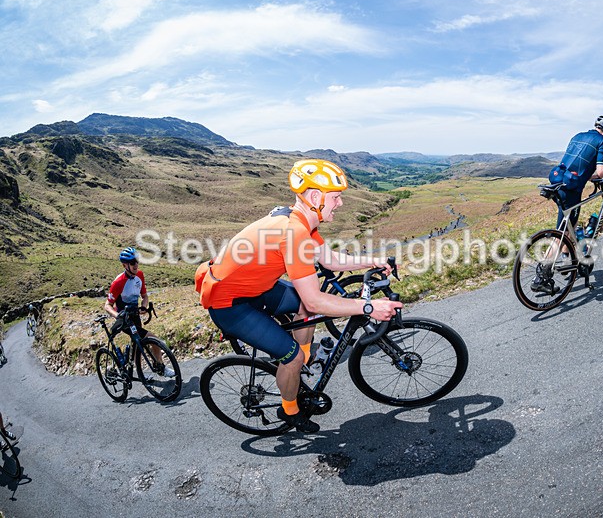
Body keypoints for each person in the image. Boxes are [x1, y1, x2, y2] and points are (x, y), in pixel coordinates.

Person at [195, 159, 402, 433]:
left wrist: (372, 261)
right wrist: (367, 307)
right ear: (315, 197)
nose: (340, 203)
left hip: (256, 288)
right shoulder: (294, 233)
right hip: (231, 304)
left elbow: (329, 261)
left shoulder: (301, 220)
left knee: (306, 307)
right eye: (336, 197)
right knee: (291, 355)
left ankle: (303, 357)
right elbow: (316, 298)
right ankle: (289, 409)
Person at [547, 115, 603, 231]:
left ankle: (565, 242)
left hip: (558, 181)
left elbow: (575, 164)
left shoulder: (577, 136)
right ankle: (561, 242)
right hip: (571, 189)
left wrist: (589, 176)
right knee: (565, 233)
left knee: (566, 228)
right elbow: (602, 171)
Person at [103, 247, 174, 377]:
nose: (135, 265)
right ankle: (161, 368)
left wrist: (143, 306)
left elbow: (144, 296)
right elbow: (107, 305)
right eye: (132, 262)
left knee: (137, 346)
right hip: (124, 320)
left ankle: (137, 373)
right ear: (125, 265)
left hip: (135, 316)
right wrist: (118, 315)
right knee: (153, 338)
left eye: (136, 261)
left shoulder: (139, 275)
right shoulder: (118, 282)